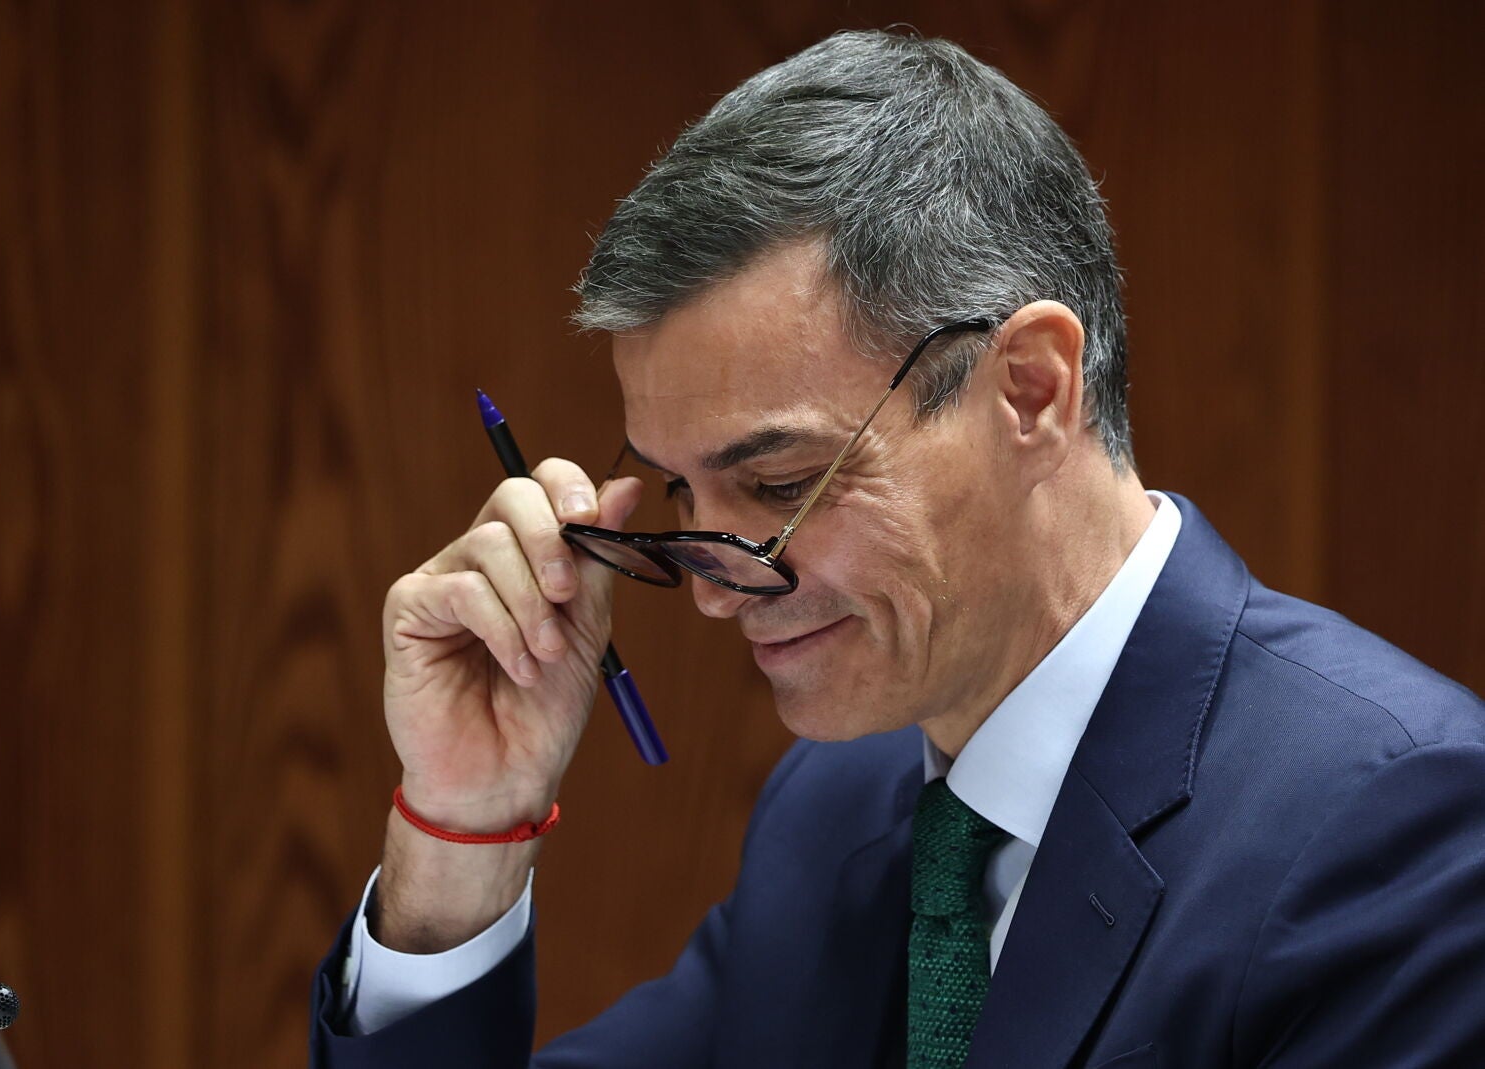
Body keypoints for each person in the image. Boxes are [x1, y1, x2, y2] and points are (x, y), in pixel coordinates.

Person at [308, 29, 1485, 1068]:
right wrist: (465, 822)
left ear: (1030, 389)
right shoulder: (834, 808)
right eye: (679, 491)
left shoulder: (1394, 827)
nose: (715, 596)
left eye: (778, 482)